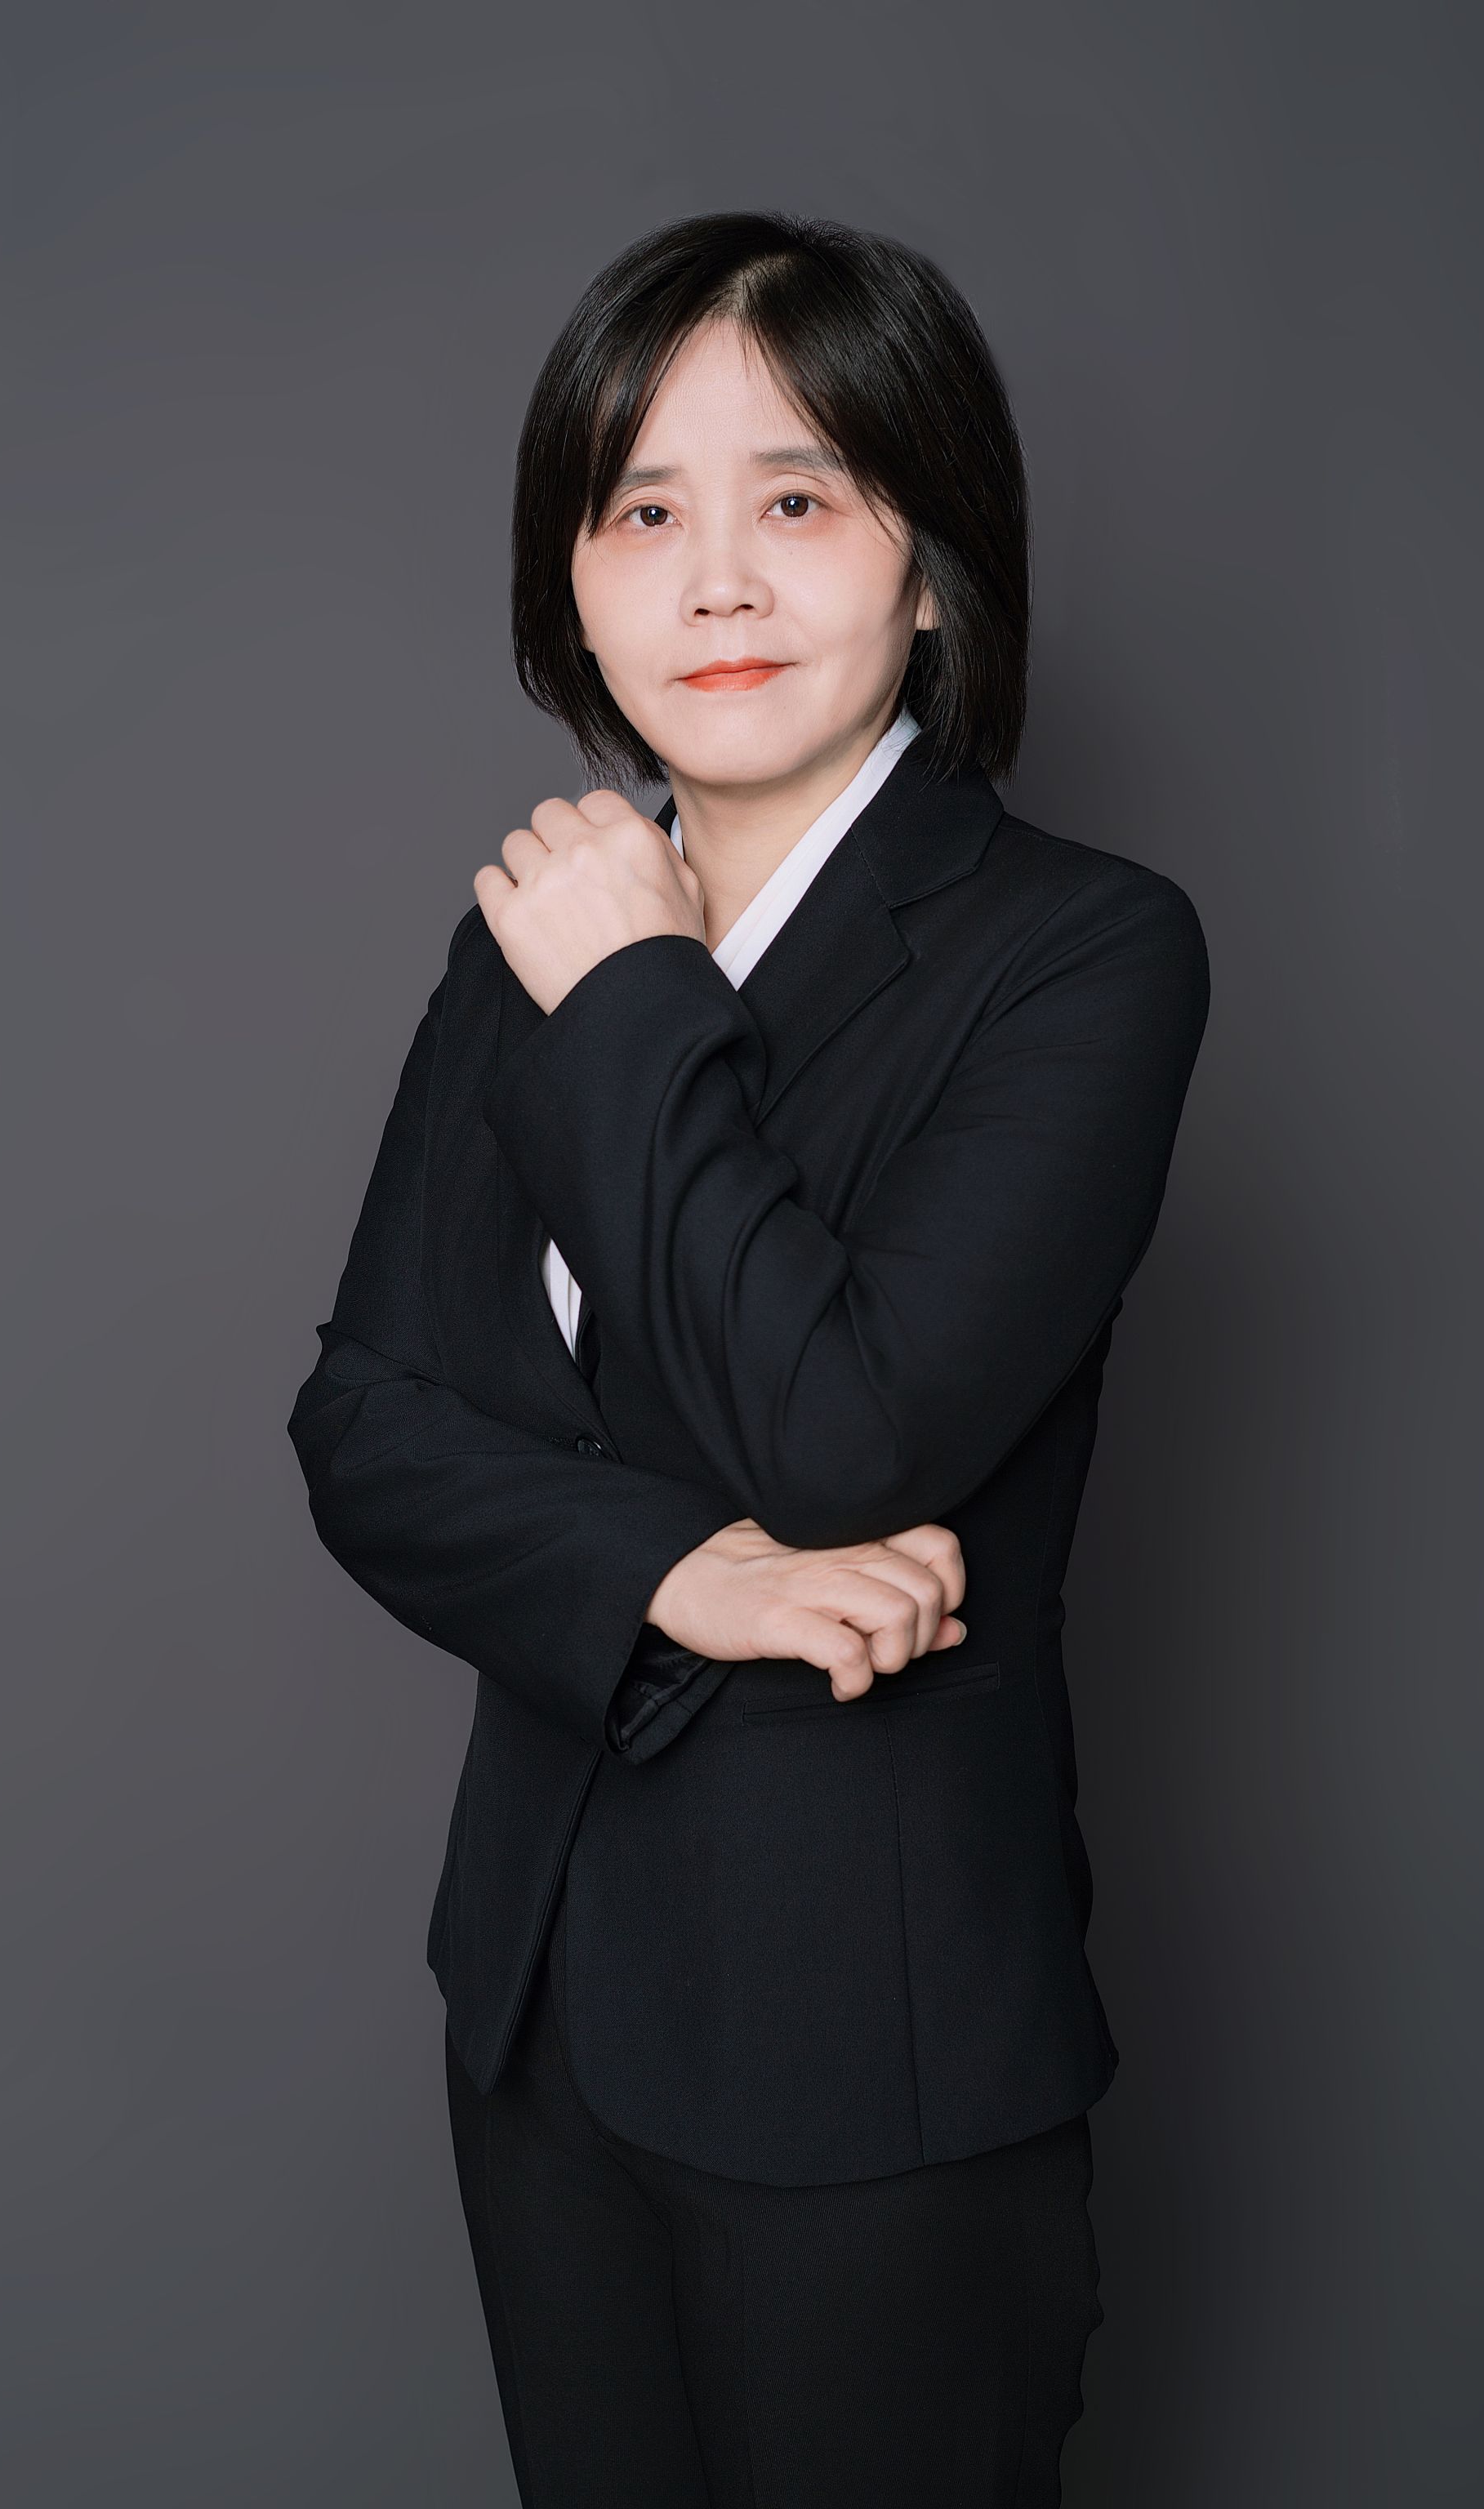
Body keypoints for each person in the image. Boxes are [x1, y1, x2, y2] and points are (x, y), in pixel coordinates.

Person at [287, 210, 1210, 2508]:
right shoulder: (524, 938)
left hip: (866, 2058)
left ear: (932, 562)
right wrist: (676, 1577)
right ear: (574, 586)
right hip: (539, 2017)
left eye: (797, 498)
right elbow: (365, 1426)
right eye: (642, 512)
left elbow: (846, 1429)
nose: (715, 580)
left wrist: (632, 998)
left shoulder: (1080, 953)